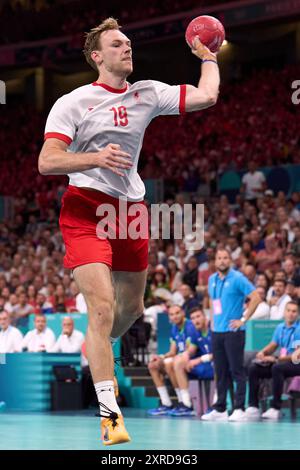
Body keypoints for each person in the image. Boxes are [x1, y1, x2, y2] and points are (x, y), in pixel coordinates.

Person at [38, 18, 220, 445]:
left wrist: (209, 58)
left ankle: (96, 346)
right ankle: (110, 415)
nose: (127, 48)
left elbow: (208, 95)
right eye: (117, 44)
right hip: (84, 210)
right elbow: (48, 161)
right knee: (100, 309)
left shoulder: (148, 92)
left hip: (130, 212)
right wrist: (95, 157)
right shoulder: (73, 102)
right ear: (97, 56)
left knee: (132, 309)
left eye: (129, 43)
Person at [202, 249, 261, 422]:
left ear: (230, 260)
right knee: (220, 371)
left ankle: (239, 408)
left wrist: (243, 319)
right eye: (219, 258)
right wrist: (212, 322)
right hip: (217, 332)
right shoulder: (212, 279)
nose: (222, 261)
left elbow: (256, 297)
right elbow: (214, 303)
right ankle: (220, 408)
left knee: (237, 371)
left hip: (234, 332)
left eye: (225, 258)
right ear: (215, 261)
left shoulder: (238, 278)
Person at [246, 301, 300, 420]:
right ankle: (253, 406)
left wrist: (275, 359)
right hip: (282, 362)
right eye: (288, 310)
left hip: (296, 363)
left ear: (298, 314)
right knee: (254, 369)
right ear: (284, 312)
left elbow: (296, 355)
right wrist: (263, 352)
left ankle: (276, 408)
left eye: (294, 311)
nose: (291, 314)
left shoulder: (298, 329)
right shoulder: (280, 327)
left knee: (277, 368)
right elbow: (273, 344)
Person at [147, 305, 197, 416]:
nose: (175, 316)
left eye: (177, 313)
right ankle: (166, 403)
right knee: (153, 365)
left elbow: (191, 350)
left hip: (191, 360)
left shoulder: (189, 326)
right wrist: (160, 357)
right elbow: (172, 351)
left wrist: (174, 358)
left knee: (171, 363)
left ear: (183, 313)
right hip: (178, 359)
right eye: (172, 314)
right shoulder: (174, 328)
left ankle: (186, 403)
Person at [172, 307, 214, 416]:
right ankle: (186, 404)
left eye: (198, 316)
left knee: (220, 366)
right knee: (179, 364)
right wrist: (185, 355)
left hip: (217, 365)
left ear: (205, 317)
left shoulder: (213, 330)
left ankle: (217, 405)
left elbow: (220, 354)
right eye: (193, 318)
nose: (196, 320)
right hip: (205, 366)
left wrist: (199, 359)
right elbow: (192, 349)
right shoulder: (196, 332)